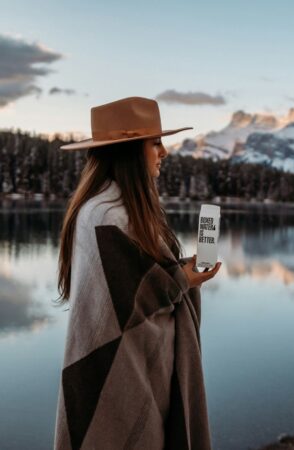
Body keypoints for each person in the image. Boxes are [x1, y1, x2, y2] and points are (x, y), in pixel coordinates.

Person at [53, 96, 221, 450]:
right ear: (129, 150)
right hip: (116, 371)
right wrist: (182, 279)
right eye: (155, 142)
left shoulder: (113, 210)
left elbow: (137, 281)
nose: (164, 152)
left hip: (142, 365)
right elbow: (129, 296)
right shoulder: (107, 216)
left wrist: (177, 274)